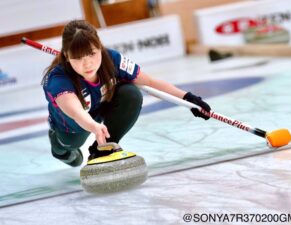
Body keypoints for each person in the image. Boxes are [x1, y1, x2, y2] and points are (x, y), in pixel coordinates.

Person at [43, 20, 211, 167]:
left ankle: (102, 149)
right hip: (72, 125)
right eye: (78, 58)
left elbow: (150, 83)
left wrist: (188, 99)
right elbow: (76, 112)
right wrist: (95, 127)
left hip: (101, 107)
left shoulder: (113, 59)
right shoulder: (58, 79)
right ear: (66, 55)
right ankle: (59, 148)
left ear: (100, 47)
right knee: (72, 152)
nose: (87, 63)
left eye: (92, 54)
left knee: (131, 93)